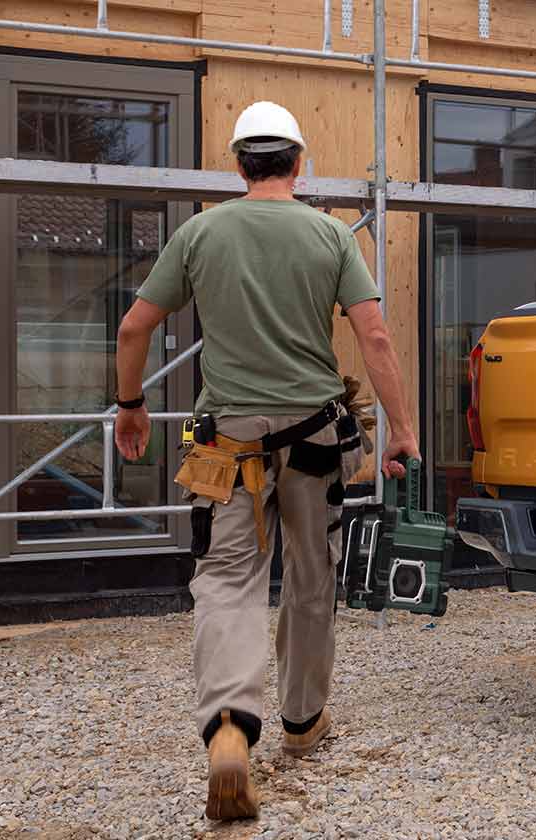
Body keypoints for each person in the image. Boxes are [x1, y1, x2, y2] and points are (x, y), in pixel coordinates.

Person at [111, 101, 420, 821]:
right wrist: (401, 428)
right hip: (314, 436)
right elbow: (374, 339)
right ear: (298, 162)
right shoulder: (329, 235)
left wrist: (131, 404)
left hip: (227, 443)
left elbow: (134, 326)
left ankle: (228, 726)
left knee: (225, 582)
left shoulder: (200, 232)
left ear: (239, 164)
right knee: (311, 576)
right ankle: (304, 722)